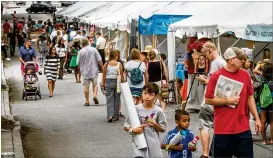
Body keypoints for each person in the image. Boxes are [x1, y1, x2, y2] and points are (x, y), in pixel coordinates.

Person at [205, 47, 261, 157]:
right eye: (240, 59)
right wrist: (227, 100)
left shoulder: (245, 74)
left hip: (243, 130)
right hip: (223, 131)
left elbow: (250, 97)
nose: (244, 61)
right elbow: (208, 99)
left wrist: (257, 118)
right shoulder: (216, 76)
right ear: (231, 60)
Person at [195, 41, 226, 158]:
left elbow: (213, 83)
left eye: (206, 54)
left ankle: (205, 153)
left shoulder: (215, 63)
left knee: (204, 125)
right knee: (219, 126)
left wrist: (204, 79)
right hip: (221, 100)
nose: (206, 57)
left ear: (209, 51)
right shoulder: (223, 62)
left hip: (210, 100)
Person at [124, 83, 167, 158]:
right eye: (145, 93)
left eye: (150, 94)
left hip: (153, 145)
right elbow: (126, 126)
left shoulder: (159, 111)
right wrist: (133, 130)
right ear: (142, 94)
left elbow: (163, 129)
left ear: (156, 96)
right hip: (139, 145)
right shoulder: (135, 109)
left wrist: (155, 124)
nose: (147, 96)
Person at [77, 38, 103, 106]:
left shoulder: (80, 52)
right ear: (88, 42)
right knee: (95, 85)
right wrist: (103, 69)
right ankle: (94, 95)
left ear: (81, 44)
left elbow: (77, 62)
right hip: (94, 70)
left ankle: (87, 101)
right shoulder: (94, 50)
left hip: (85, 72)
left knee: (86, 86)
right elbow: (99, 60)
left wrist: (80, 69)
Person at [101, 50, 125, 122]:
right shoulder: (119, 64)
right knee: (117, 99)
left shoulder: (106, 64)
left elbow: (104, 76)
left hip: (108, 82)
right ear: (116, 56)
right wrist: (124, 83)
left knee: (109, 100)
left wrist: (103, 85)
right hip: (117, 82)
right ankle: (116, 115)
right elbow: (121, 76)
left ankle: (110, 115)